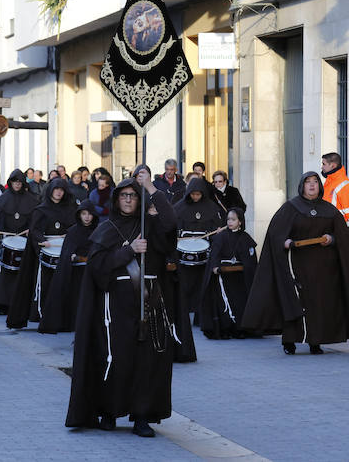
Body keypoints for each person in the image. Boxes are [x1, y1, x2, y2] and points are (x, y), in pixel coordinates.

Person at [66, 168, 178, 437]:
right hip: (116, 306)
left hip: (148, 303)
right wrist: (129, 250)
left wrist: (150, 188)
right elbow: (96, 266)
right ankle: (109, 411)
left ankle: (141, 416)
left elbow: (172, 223)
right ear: (116, 200)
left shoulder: (150, 227)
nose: (128, 200)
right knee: (116, 359)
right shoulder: (107, 229)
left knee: (145, 363)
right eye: (124, 195)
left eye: (133, 195)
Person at [243, 172, 349, 354]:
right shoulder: (290, 208)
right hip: (297, 266)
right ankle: (290, 341)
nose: (312, 186)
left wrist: (331, 238)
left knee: (319, 304)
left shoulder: (330, 210)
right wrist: (284, 242)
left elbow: (344, 237)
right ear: (302, 186)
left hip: (324, 269)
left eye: (315, 182)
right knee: (295, 301)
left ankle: (315, 341)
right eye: (308, 182)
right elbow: (275, 234)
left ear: (320, 186)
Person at [7, 177, 74, 329]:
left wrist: (67, 237)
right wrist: (42, 240)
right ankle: (41, 314)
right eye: (56, 189)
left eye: (61, 190)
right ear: (50, 191)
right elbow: (34, 229)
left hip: (62, 250)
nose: (58, 192)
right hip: (45, 250)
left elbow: (74, 227)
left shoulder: (70, 210)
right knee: (44, 286)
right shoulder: (41, 209)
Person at [170, 177, 223, 362]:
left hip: (206, 257)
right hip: (184, 258)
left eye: (198, 193)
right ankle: (185, 315)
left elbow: (218, 230)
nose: (196, 196)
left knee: (204, 289)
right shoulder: (179, 208)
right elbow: (174, 230)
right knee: (185, 288)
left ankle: (204, 318)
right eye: (193, 194)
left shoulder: (212, 208)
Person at [38, 199, 99, 334]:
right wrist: (73, 257)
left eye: (89, 214)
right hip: (76, 272)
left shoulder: (98, 230)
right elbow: (67, 253)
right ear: (79, 215)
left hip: (92, 272)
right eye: (84, 214)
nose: (87, 217)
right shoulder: (73, 231)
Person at [200, 207, 257, 340]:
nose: (230, 222)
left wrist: (247, 267)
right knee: (224, 303)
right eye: (228, 219)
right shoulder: (221, 236)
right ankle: (225, 329)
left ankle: (240, 328)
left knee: (240, 302)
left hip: (240, 278)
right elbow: (214, 254)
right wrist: (215, 267)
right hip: (223, 277)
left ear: (240, 221)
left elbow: (251, 257)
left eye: (233, 219)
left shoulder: (245, 237)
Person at [0, 169, 38, 313]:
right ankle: (3, 304)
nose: (17, 184)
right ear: (10, 183)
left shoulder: (32, 200)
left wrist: (31, 229)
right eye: (15, 182)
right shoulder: (2, 200)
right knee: (4, 275)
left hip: (24, 241)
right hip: (6, 240)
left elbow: (36, 221)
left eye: (19, 182)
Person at [320, 152, 349, 250]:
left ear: (333, 165)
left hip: (338, 236)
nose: (322, 167)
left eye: (324, 164)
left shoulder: (344, 185)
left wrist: (344, 237)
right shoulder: (328, 184)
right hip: (329, 236)